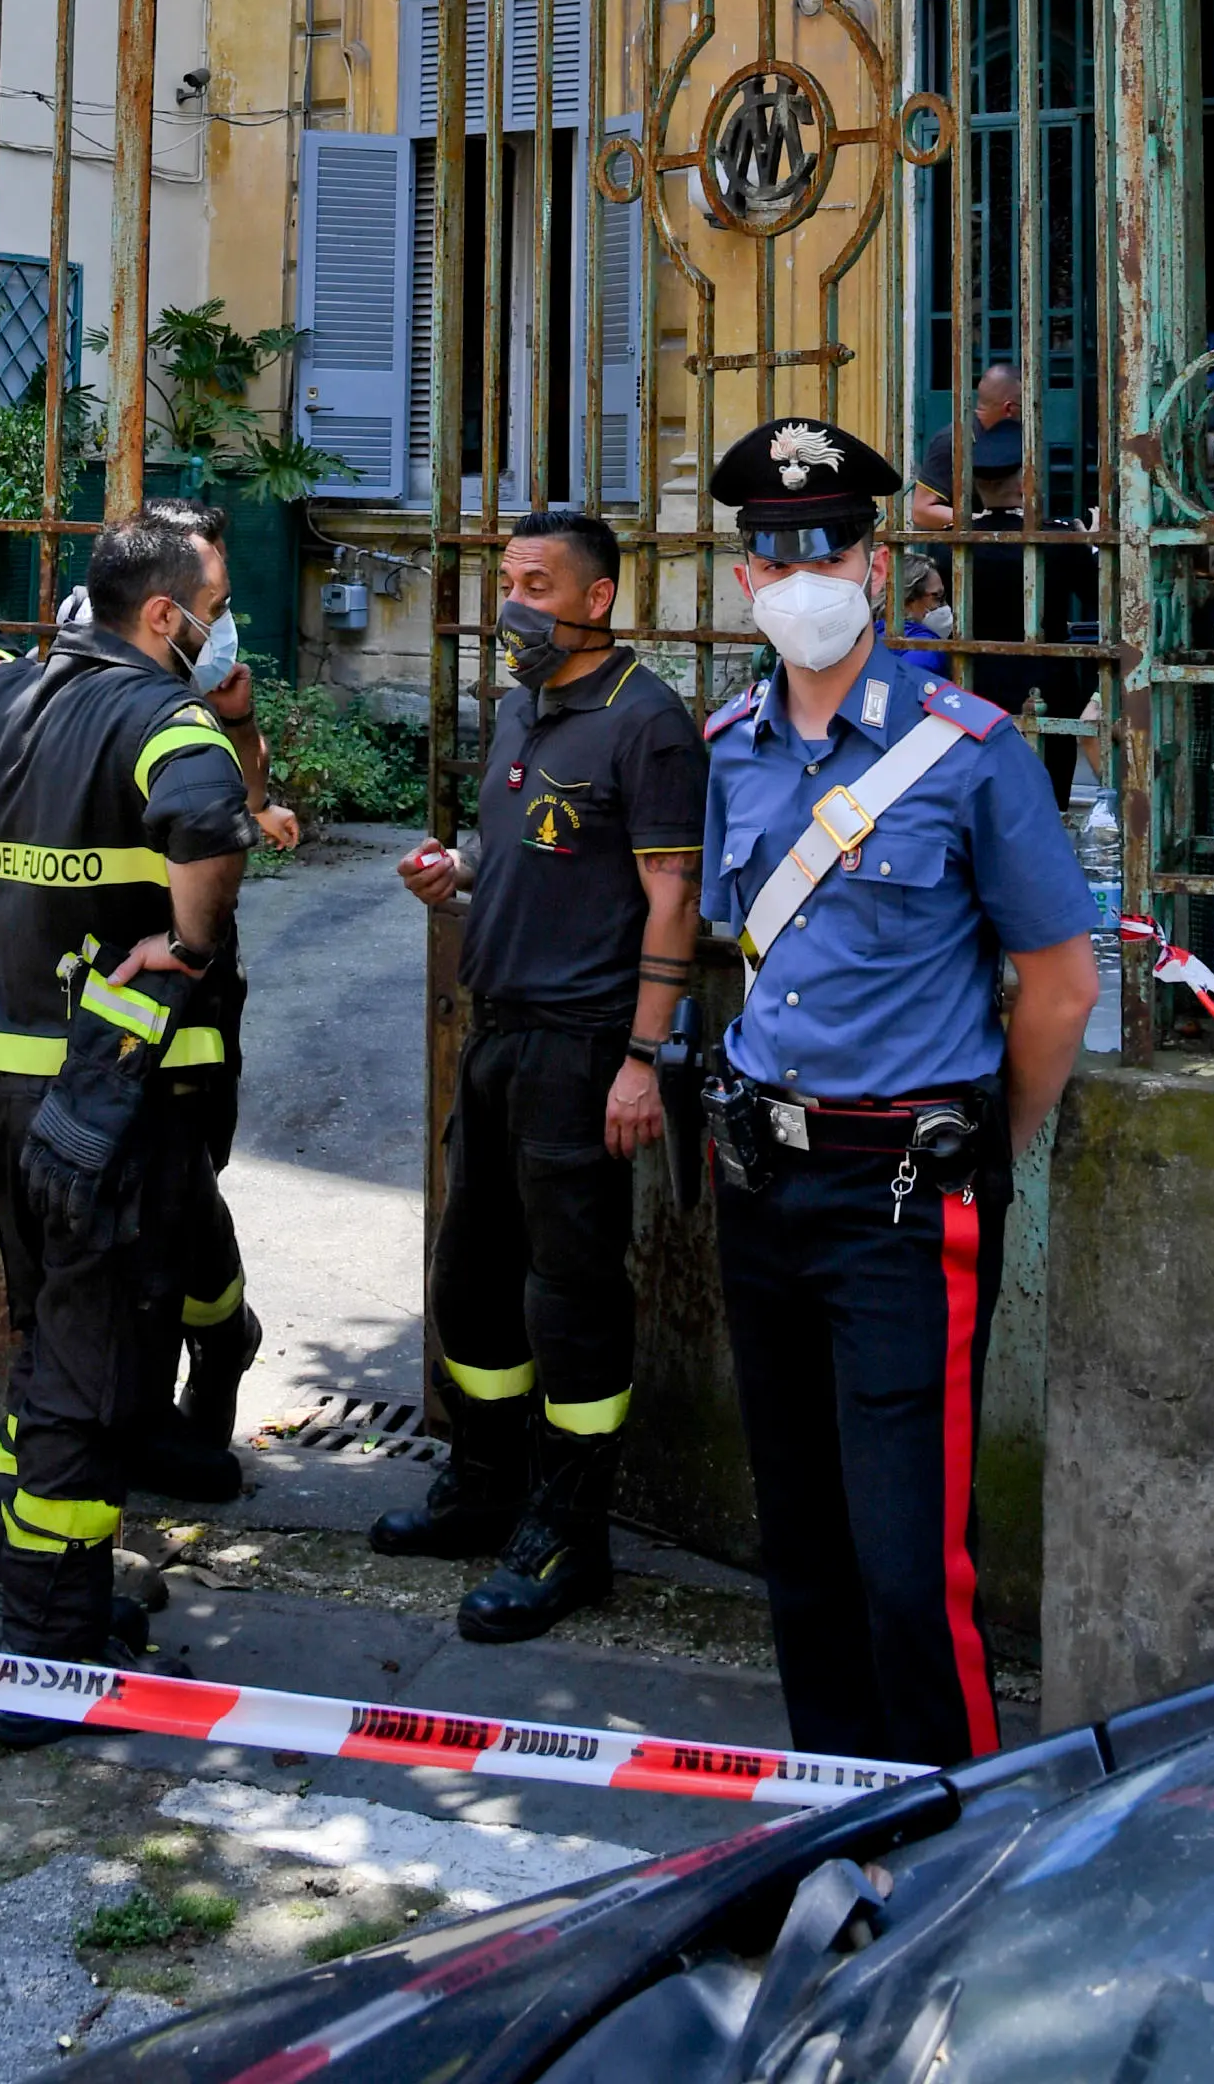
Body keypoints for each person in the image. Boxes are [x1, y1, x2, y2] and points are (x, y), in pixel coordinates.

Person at [701, 416, 1099, 1768]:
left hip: (903, 1183)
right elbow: (737, 952)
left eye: (830, 547)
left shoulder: (968, 750)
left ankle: (952, 1844)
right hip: (758, 1171)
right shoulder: (730, 752)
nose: (803, 575)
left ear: (876, 566)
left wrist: (996, 1152)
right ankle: (834, 1808)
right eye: (775, 553)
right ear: (746, 579)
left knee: (905, 1556)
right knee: (798, 1540)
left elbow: (1060, 982)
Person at [0, 458, 258, 1737]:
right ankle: (50, 1665)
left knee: (46, 1344)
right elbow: (210, 828)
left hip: (14, 1098)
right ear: (166, 618)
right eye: (215, 600)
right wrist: (187, 946)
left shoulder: (6, 697)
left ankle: (38, 1596)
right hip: (122, 1103)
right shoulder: (164, 720)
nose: (223, 620)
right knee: (87, 1369)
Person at [374, 505, 708, 1644]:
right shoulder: (524, 707)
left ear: (596, 599)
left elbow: (672, 897)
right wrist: (454, 873)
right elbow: (522, 853)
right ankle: (485, 1486)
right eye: (507, 581)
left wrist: (639, 1061)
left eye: (535, 584)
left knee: (569, 1298)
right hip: (498, 1032)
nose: (512, 603)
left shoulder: (648, 724)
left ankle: (572, 1530)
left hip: (584, 1046)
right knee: (472, 1280)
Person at [55, 499, 291, 1472]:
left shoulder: (202, 673)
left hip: (190, 973)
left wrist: (238, 730)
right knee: (141, 1208)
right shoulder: (83, 654)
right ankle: (154, 1402)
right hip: (103, 973)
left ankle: (213, 1351)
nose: (219, 614)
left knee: (184, 1193)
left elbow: (244, 800)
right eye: (211, 593)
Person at [956, 419, 1100, 811]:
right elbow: (1101, 598)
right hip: (1046, 684)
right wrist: (1094, 545)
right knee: (1048, 804)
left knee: (980, 800)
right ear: (1025, 481)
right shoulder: (1056, 540)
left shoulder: (955, 542)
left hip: (975, 683)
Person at [909, 362, 1022, 533]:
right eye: (1026, 407)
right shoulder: (953, 440)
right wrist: (983, 522)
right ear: (1009, 409)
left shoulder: (1011, 439)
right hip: (962, 550)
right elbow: (921, 511)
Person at [889, 556, 954, 684]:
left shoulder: (871, 633)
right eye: (938, 598)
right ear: (907, 601)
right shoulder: (924, 648)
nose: (945, 607)